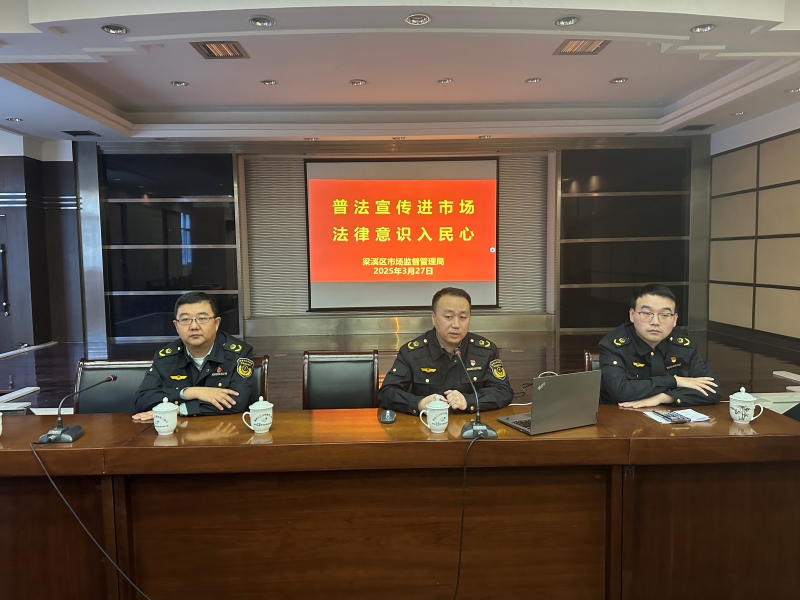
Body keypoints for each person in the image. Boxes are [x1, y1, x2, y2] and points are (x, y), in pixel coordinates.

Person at [378, 287, 513, 416]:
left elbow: (503, 391)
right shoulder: (412, 353)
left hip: (470, 425)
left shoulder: (485, 351)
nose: (456, 325)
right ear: (433, 318)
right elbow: (386, 393)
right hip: (425, 426)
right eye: (448, 316)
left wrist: (469, 401)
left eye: (463, 317)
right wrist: (418, 404)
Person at [132, 291, 255, 422]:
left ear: (216, 323)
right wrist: (189, 392)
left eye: (202, 318)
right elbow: (142, 400)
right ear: (176, 326)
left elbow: (237, 402)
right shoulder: (166, 357)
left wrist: (180, 409)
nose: (194, 326)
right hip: (176, 431)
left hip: (224, 429)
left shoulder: (238, 353)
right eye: (185, 320)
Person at [599, 284, 720, 408]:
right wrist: (675, 381)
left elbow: (713, 390)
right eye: (647, 313)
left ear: (675, 319)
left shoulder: (684, 347)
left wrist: (664, 397)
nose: (655, 322)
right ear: (632, 315)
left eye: (664, 315)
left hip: (671, 416)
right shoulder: (613, 347)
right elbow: (621, 392)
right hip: (621, 416)